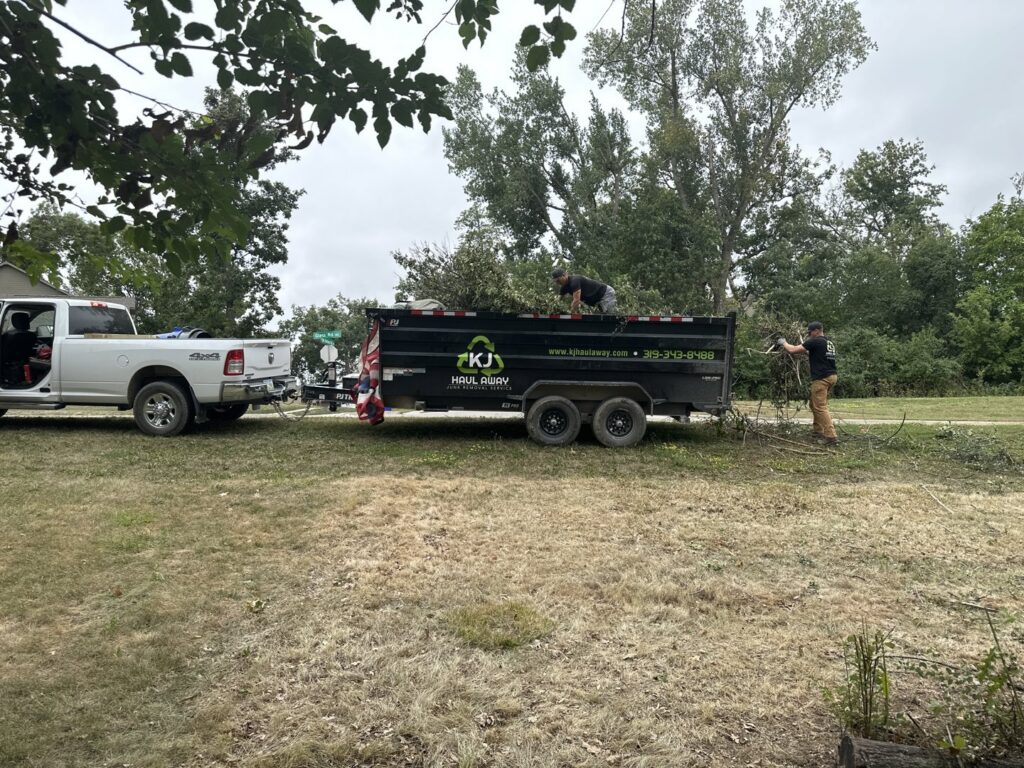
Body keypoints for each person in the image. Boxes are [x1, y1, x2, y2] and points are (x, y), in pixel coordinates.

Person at [778, 321, 838, 446]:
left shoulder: (815, 341)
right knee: (814, 404)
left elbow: (793, 350)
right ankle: (818, 431)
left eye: (810, 333)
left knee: (820, 407)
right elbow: (818, 355)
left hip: (821, 378)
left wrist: (783, 342)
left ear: (816, 331)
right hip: (832, 376)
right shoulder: (828, 342)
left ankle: (830, 436)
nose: (809, 335)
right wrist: (806, 352)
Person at [551, 268, 617, 313]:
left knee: (608, 316)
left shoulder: (574, 281)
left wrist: (571, 313)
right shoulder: (564, 287)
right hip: (597, 300)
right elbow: (557, 301)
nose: (557, 283)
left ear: (564, 275)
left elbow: (576, 300)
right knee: (599, 317)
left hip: (606, 294)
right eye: (555, 281)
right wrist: (551, 309)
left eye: (558, 280)